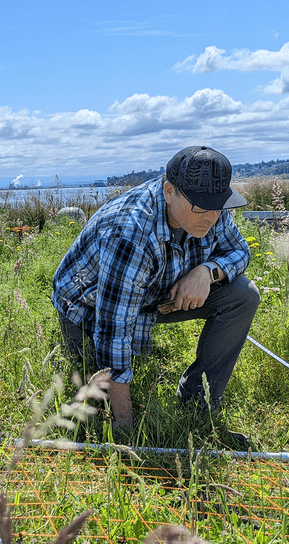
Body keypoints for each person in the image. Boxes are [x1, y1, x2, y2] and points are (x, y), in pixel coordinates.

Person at [52, 146, 260, 431]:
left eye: (217, 205)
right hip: (89, 308)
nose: (211, 217)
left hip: (155, 295)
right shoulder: (130, 233)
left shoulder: (210, 209)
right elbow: (113, 331)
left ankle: (198, 404)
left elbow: (239, 250)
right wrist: (124, 426)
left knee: (243, 295)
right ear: (169, 191)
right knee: (93, 401)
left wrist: (207, 272)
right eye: (200, 206)